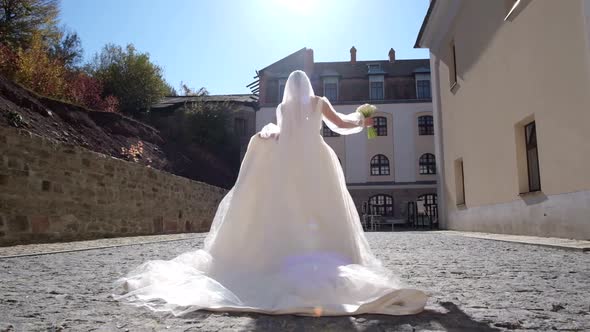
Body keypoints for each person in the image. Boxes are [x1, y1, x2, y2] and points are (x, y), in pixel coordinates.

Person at [114, 70, 427, 316]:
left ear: (288, 89)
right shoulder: (318, 102)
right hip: (317, 162)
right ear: (309, 86)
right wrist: (362, 118)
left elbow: (282, 134)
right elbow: (342, 124)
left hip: (288, 165)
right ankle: (331, 255)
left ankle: (286, 254)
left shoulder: (282, 106)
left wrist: (267, 135)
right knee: (324, 209)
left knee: (288, 209)